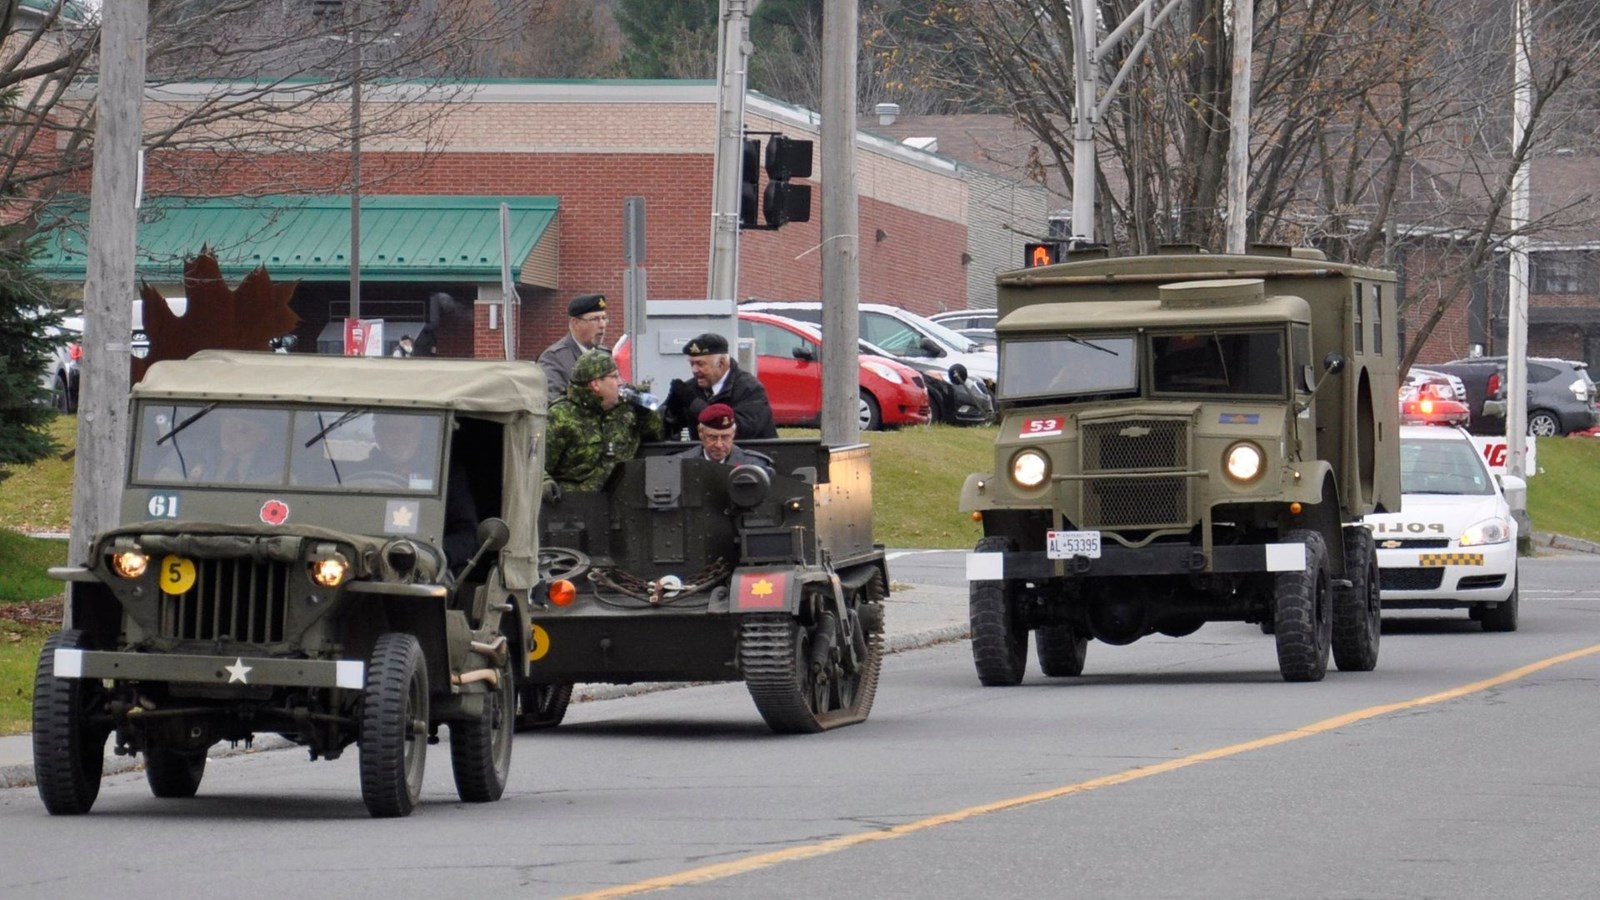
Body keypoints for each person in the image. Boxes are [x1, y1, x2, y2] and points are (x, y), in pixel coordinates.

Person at [543, 348, 663, 499]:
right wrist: (546, 485)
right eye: (614, 377)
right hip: (576, 505)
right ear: (595, 385)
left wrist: (645, 412)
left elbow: (656, 437)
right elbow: (536, 466)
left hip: (622, 502)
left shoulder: (626, 408)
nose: (620, 383)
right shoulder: (560, 415)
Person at [366, 414, 479, 571]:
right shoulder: (361, 473)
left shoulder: (447, 474)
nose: (400, 437)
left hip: (427, 570)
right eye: (391, 430)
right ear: (377, 435)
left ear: (419, 433)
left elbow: (467, 534)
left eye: (408, 430)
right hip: (367, 563)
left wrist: (436, 555)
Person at [661, 332, 777, 441]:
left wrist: (695, 405)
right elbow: (661, 431)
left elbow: (739, 430)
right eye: (692, 364)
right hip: (701, 457)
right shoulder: (690, 388)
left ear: (721, 363)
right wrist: (670, 413)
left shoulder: (749, 389)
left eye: (700, 364)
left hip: (750, 457)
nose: (694, 370)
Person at [538, 293, 610, 400]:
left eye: (604, 318)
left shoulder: (606, 354)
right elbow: (553, 402)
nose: (602, 325)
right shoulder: (554, 358)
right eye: (595, 319)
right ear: (575, 323)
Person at [674, 403, 774, 471]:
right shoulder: (681, 463)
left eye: (725, 437)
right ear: (701, 433)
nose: (719, 444)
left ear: (733, 433)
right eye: (712, 437)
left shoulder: (754, 464)